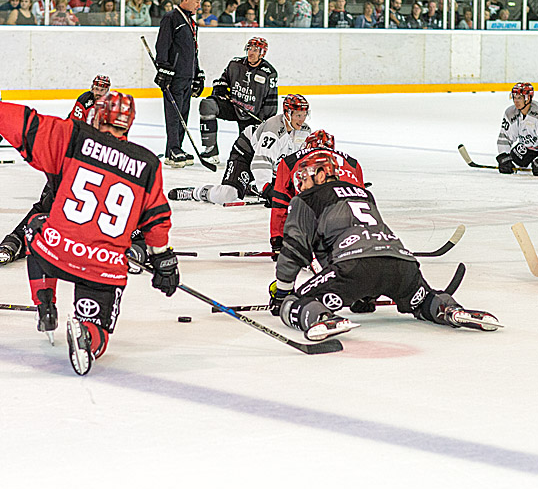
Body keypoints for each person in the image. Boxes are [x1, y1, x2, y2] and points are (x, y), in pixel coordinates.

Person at [0, 83, 178, 376]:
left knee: (34, 228)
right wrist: (163, 260)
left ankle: (45, 304)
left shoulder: (74, 136)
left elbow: (27, 125)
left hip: (56, 250)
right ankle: (88, 336)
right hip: (103, 266)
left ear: (97, 115)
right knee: (99, 327)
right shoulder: (148, 164)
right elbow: (156, 219)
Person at [268, 149, 499, 342]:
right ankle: (448, 309)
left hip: (353, 266)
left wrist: (283, 293)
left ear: (321, 174)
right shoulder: (364, 193)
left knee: (294, 302)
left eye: (304, 177)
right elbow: (367, 236)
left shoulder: (306, 199)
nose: (300, 184)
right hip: (402, 264)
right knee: (423, 299)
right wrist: (365, 295)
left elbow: (294, 249)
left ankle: (321, 317)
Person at [0, 75, 112, 266]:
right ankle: (14, 242)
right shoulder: (85, 104)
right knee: (46, 206)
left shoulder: (118, 154)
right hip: (73, 167)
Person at [169, 94, 311, 205]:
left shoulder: (304, 131)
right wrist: (266, 189)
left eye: (304, 115)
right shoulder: (273, 130)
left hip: (267, 163)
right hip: (246, 154)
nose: (302, 119)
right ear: (287, 114)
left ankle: (251, 187)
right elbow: (261, 161)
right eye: (298, 115)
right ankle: (196, 193)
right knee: (228, 195)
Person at [268, 130, 364, 258]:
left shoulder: (289, 162)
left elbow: (281, 203)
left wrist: (278, 241)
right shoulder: (353, 163)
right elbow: (364, 200)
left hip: (318, 230)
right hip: (360, 233)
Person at [197, 37, 279, 167]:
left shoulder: (269, 73)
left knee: (247, 154)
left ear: (262, 53)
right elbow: (222, 81)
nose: (251, 53)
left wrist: (265, 121)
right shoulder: (235, 64)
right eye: (249, 49)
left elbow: (271, 101)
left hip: (253, 115)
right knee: (208, 105)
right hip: (234, 106)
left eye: (255, 50)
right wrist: (221, 88)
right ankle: (210, 151)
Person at [154, 0, 205, 168]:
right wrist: (164, 68)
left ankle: (176, 149)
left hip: (187, 76)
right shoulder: (171, 18)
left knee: (183, 114)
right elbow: (162, 45)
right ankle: (173, 149)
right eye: (197, 1)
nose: (199, 5)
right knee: (174, 115)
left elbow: (193, 52)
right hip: (175, 76)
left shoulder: (191, 22)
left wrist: (197, 73)